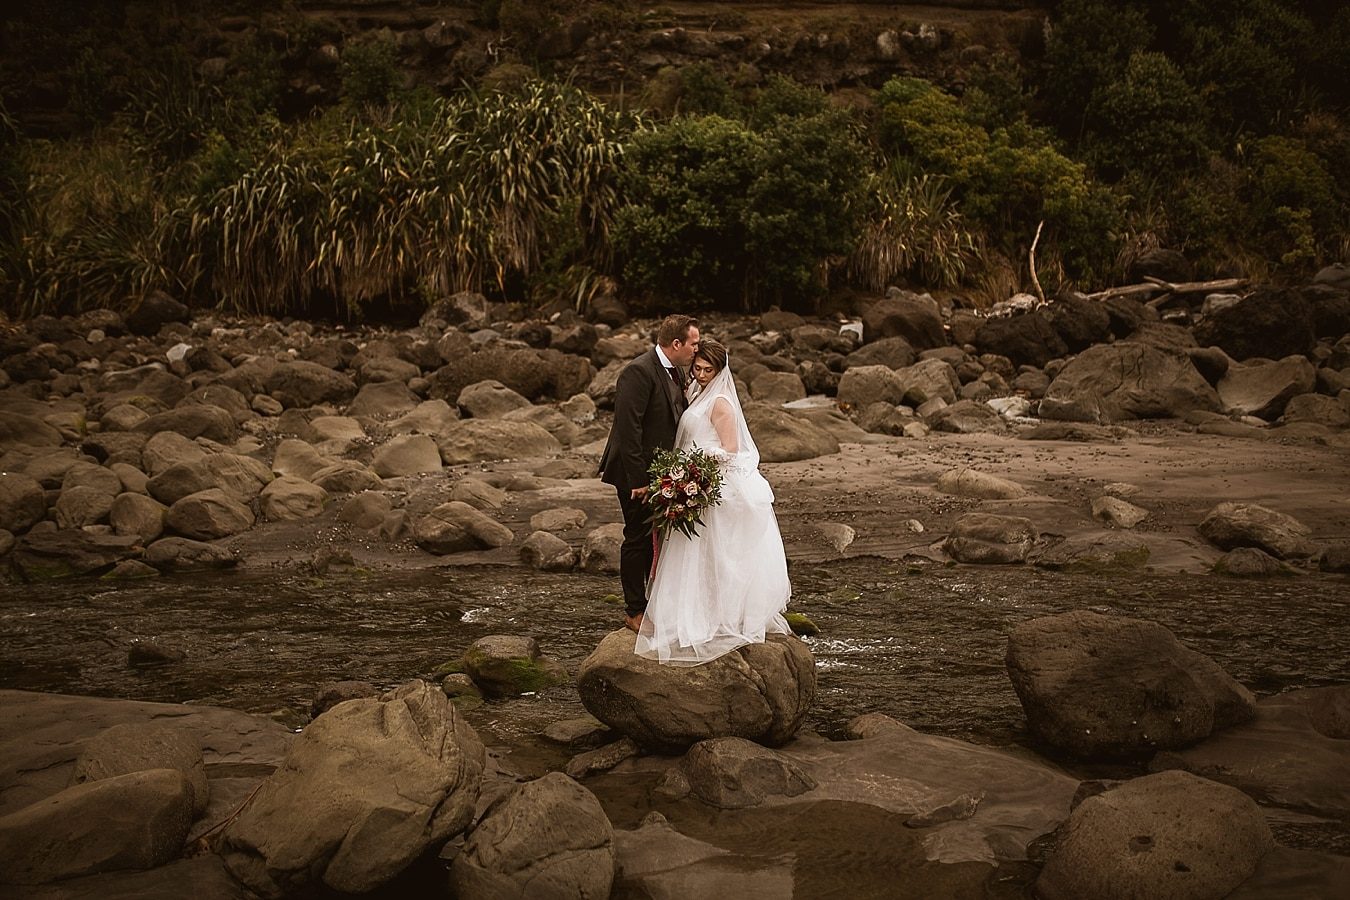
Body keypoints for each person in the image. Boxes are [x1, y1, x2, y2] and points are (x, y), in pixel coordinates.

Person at [635, 338, 792, 665]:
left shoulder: (721, 402)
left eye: (708, 370)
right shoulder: (697, 393)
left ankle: (719, 618)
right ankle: (693, 612)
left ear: (720, 371)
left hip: (712, 485)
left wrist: (698, 462)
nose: (702, 374)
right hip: (695, 479)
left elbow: (731, 451)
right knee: (696, 557)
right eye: (698, 368)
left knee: (714, 556)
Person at [598, 314, 700, 633]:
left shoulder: (674, 372)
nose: (696, 350)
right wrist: (639, 481)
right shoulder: (638, 372)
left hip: (659, 473)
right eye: (694, 344)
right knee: (637, 538)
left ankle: (651, 601)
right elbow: (629, 430)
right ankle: (633, 611)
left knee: (653, 538)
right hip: (634, 474)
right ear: (676, 344)